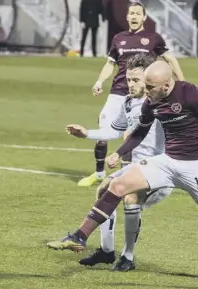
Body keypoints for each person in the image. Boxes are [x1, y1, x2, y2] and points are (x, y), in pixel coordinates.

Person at [47, 61, 198, 285]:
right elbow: (140, 132)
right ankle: (80, 236)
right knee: (117, 185)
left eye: (151, 87)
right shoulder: (151, 101)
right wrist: (119, 154)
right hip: (166, 161)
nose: (147, 90)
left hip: (196, 167)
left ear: (166, 84)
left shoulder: (189, 93)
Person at [63, 54, 172, 271]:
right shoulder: (128, 103)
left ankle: (128, 258)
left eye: (136, 80)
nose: (130, 84)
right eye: (128, 80)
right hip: (134, 169)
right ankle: (106, 251)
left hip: (159, 171)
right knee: (104, 190)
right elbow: (114, 129)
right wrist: (86, 133)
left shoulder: (161, 106)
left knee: (130, 197)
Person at [77, 2, 184, 188]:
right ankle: (100, 173)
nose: (133, 16)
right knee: (103, 132)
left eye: (137, 14)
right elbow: (110, 64)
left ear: (144, 17)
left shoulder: (153, 38)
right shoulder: (119, 38)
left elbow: (170, 59)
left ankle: (138, 175)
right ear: (127, 17)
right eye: (131, 13)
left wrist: (181, 83)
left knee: (134, 135)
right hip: (118, 92)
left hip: (144, 95)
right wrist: (99, 81)